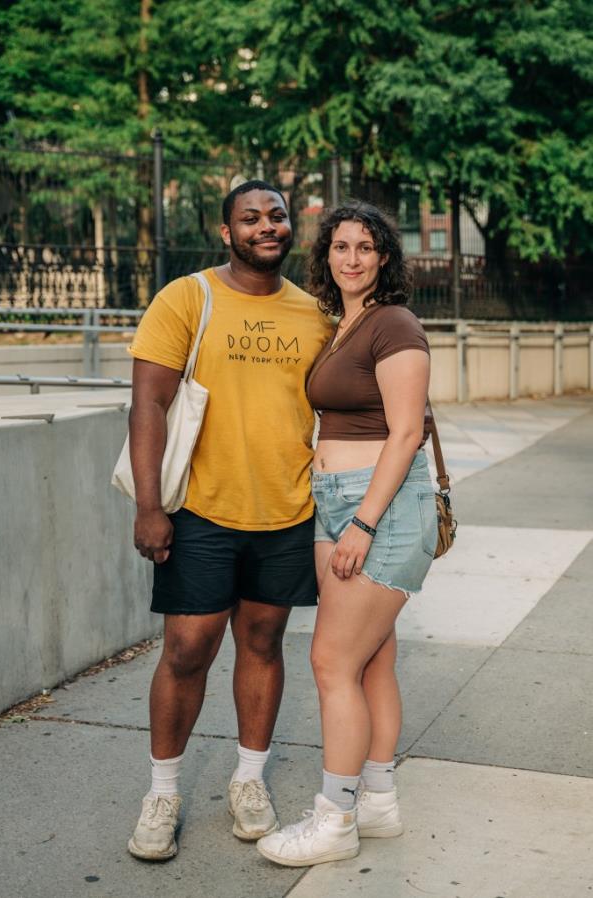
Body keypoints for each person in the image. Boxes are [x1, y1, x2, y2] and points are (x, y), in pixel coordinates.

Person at [126, 180, 332, 861]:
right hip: (202, 511)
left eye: (276, 215)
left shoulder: (316, 315)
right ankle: (163, 792)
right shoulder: (188, 297)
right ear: (227, 232)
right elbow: (149, 405)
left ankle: (248, 781)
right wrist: (149, 506)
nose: (267, 225)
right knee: (187, 650)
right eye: (251, 217)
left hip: (287, 510)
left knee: (264, 644)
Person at [257, 201, 438, 867]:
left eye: (365, 246)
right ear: (327, 255)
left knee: (331, 663)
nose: (352, 258)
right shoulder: (344, 325)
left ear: (384, 256)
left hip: (375, 509)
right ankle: (378, 801)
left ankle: (334, 819)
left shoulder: (394, 324)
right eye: (340, 247)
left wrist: (362, 521)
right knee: (370, 660)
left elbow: (408, 431)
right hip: (334, 504)